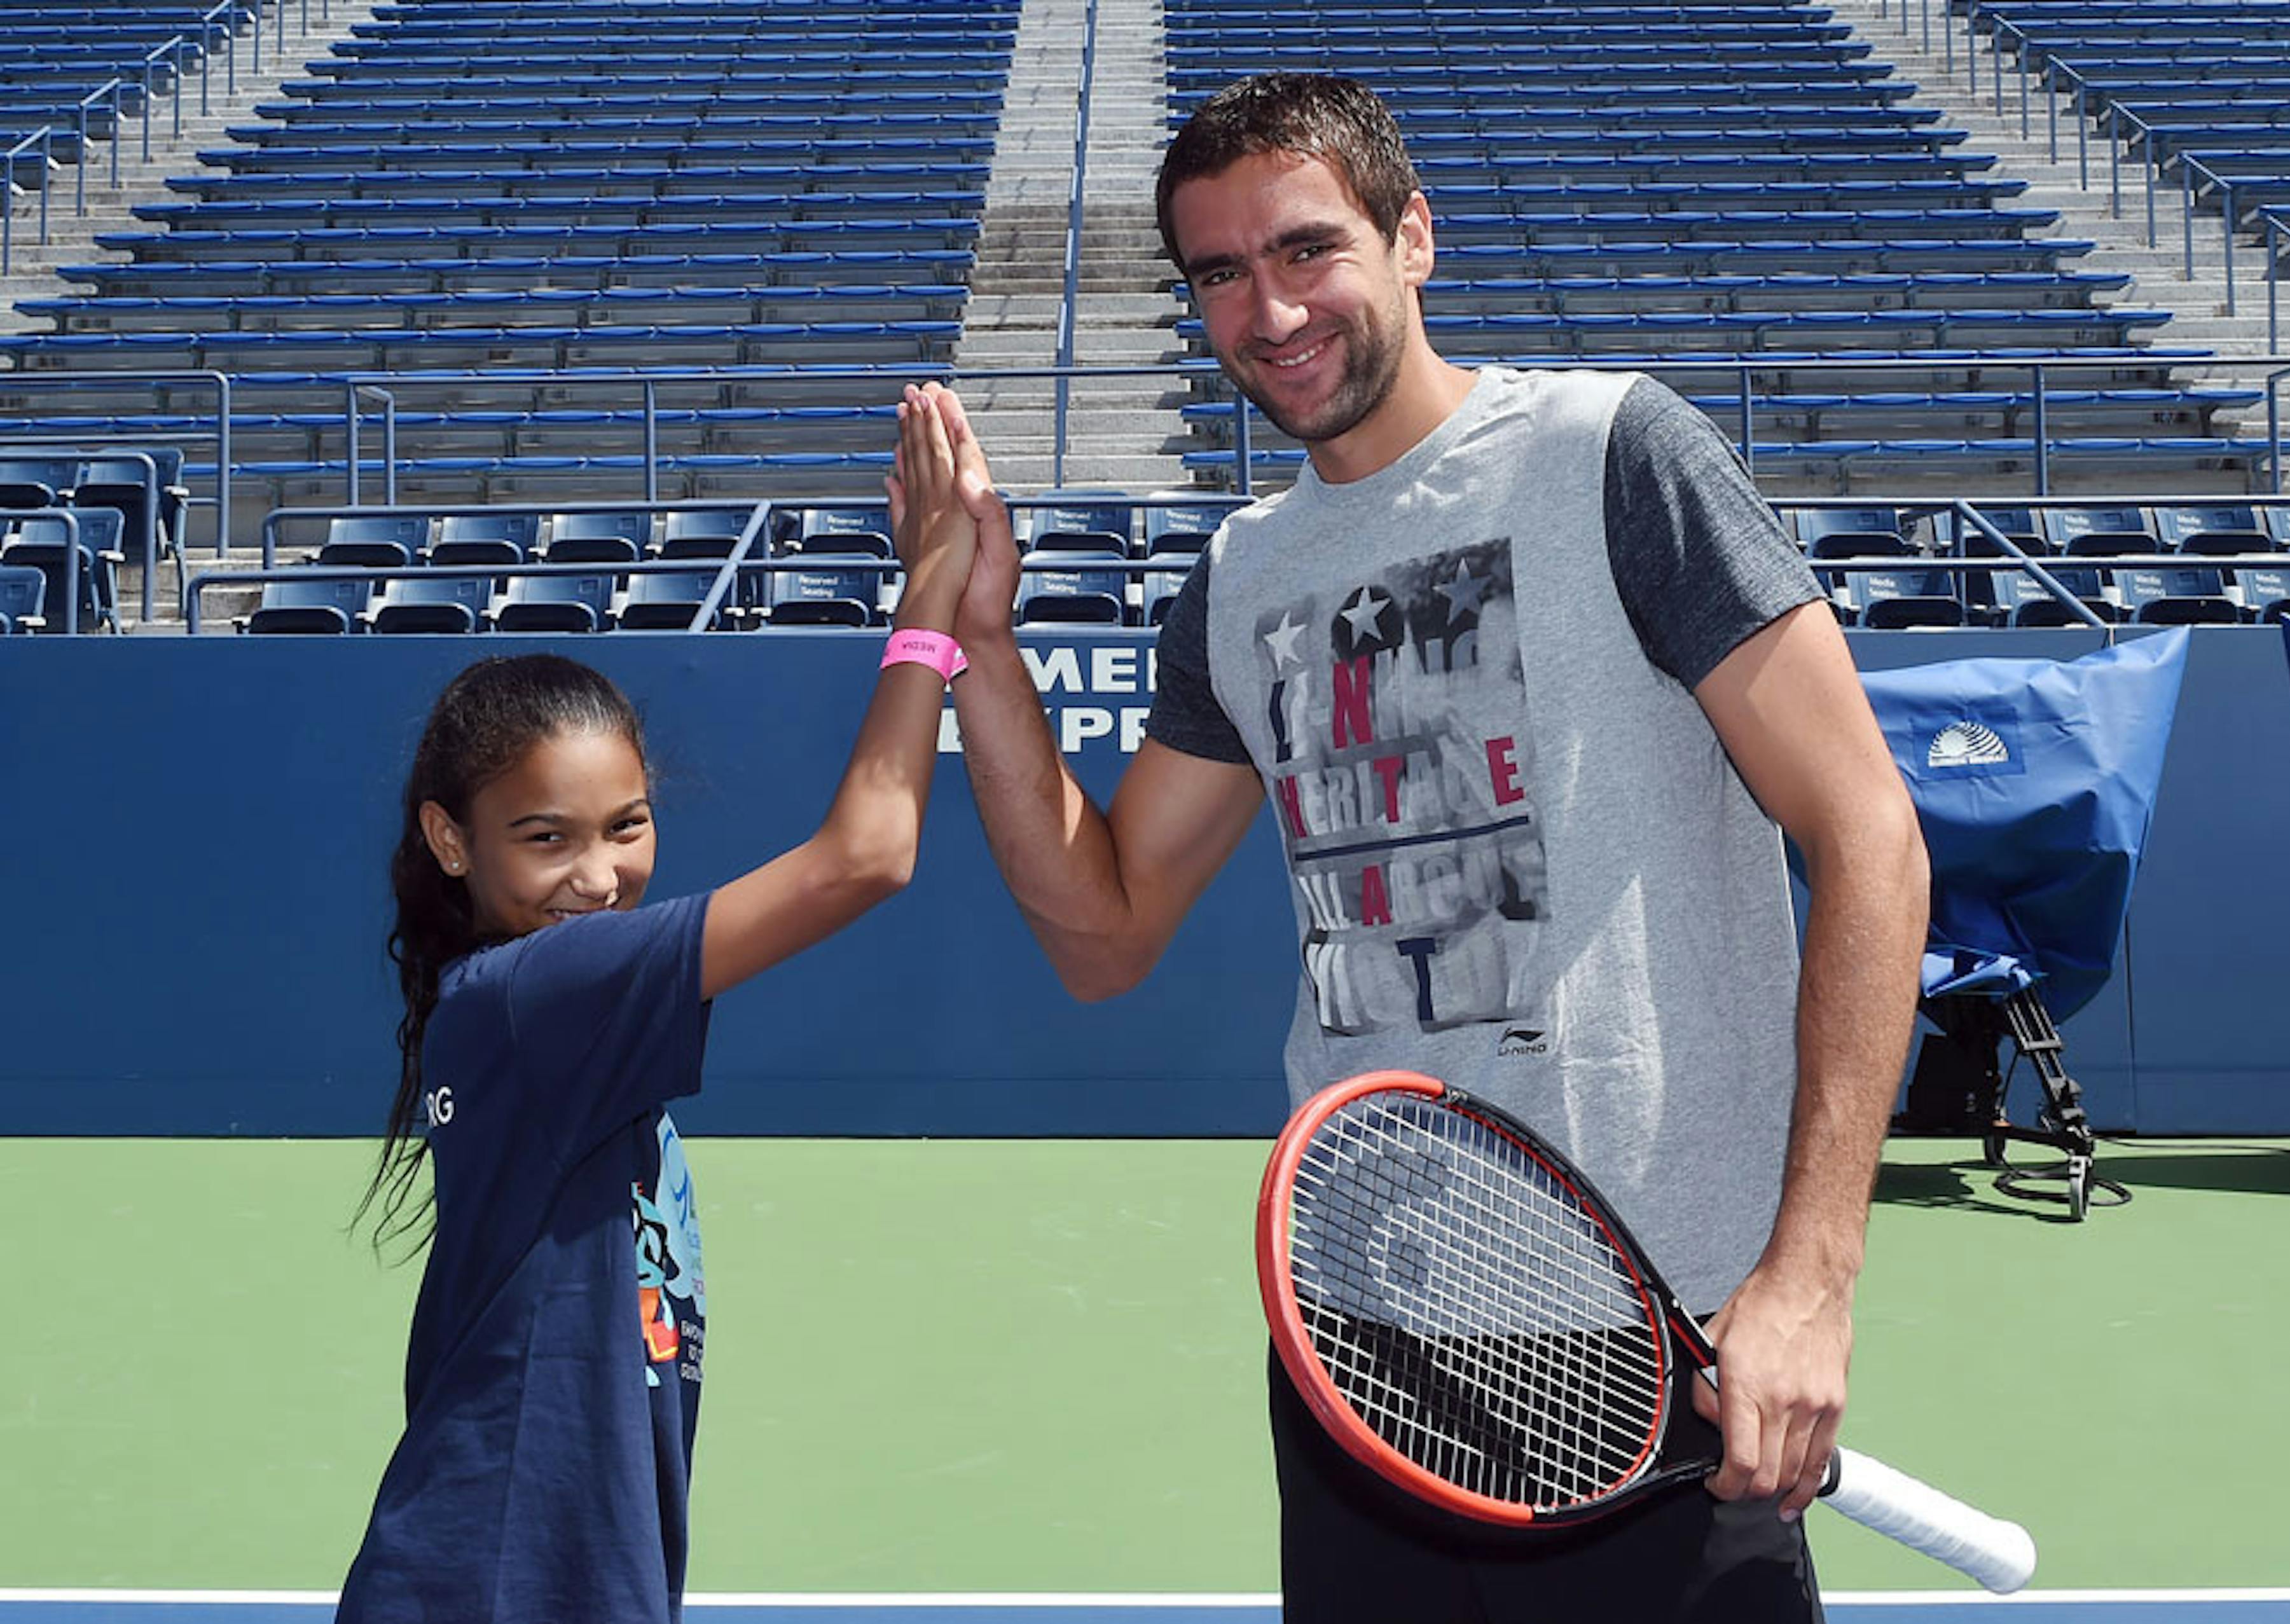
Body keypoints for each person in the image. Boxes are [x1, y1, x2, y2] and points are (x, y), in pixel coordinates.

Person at [922, 71, 1930, 1623]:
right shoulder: (1241, 576)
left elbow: (1871, 837)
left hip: (1662, 1334)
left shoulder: (1614, 452)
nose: (1269, 311)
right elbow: (1103, 930)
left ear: (1413, 238)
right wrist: (979, 641)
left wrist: (1811, 1275)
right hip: (1362, 1349)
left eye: (1307, 248)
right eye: (1220, 273)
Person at [335, 388, 980, 1623]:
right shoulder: (545, 990)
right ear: (452, 841)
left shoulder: (535, 1009)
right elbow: (869, 853)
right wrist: (932, 599)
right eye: (546, 837)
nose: (599, 875)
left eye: (627, 825)